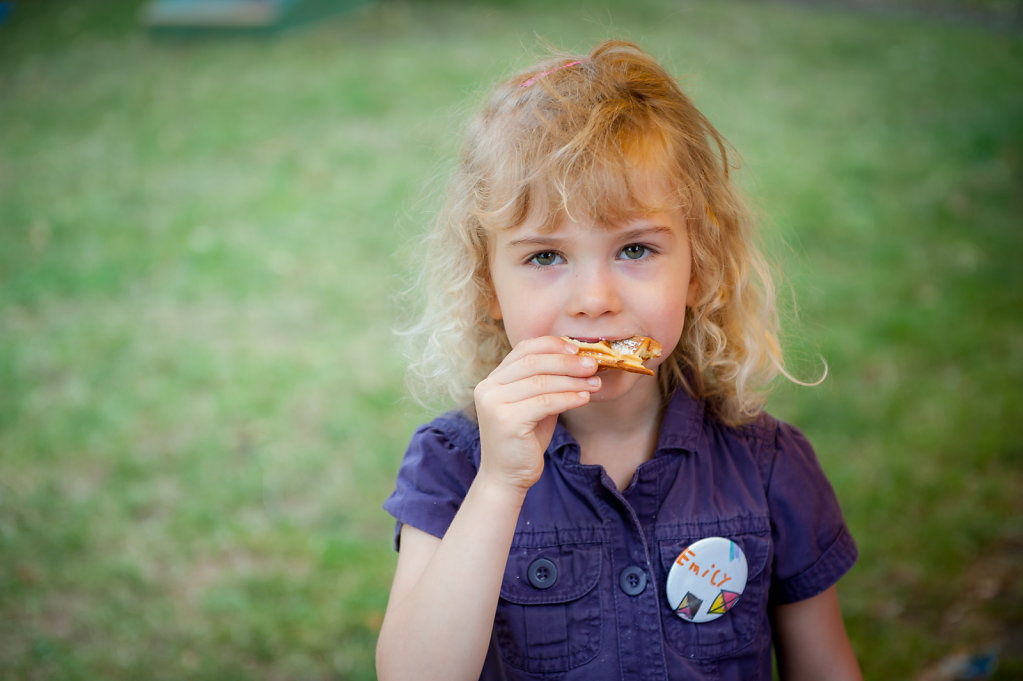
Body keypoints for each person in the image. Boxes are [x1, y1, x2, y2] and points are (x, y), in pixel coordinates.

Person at [376, 40, 861, 681]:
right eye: (545, 257)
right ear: (489, 286)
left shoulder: (767, 466)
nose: (594, 301)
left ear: (700, 266)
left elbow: (825, 666)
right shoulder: (454, 468)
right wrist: (499, 485)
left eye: (635, 249)